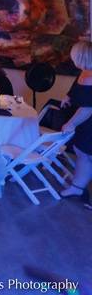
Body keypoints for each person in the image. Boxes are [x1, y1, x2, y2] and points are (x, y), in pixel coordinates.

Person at [59, 41, 92, 200]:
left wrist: (71, 123)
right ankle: (78, 184)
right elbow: (75, 88)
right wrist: (68, 96)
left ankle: (77, 187)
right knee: (82, 153)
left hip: (88, 122)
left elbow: (87, 108)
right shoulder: (84, 72)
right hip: (84, 122)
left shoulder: (91, 77)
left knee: (85, 154)